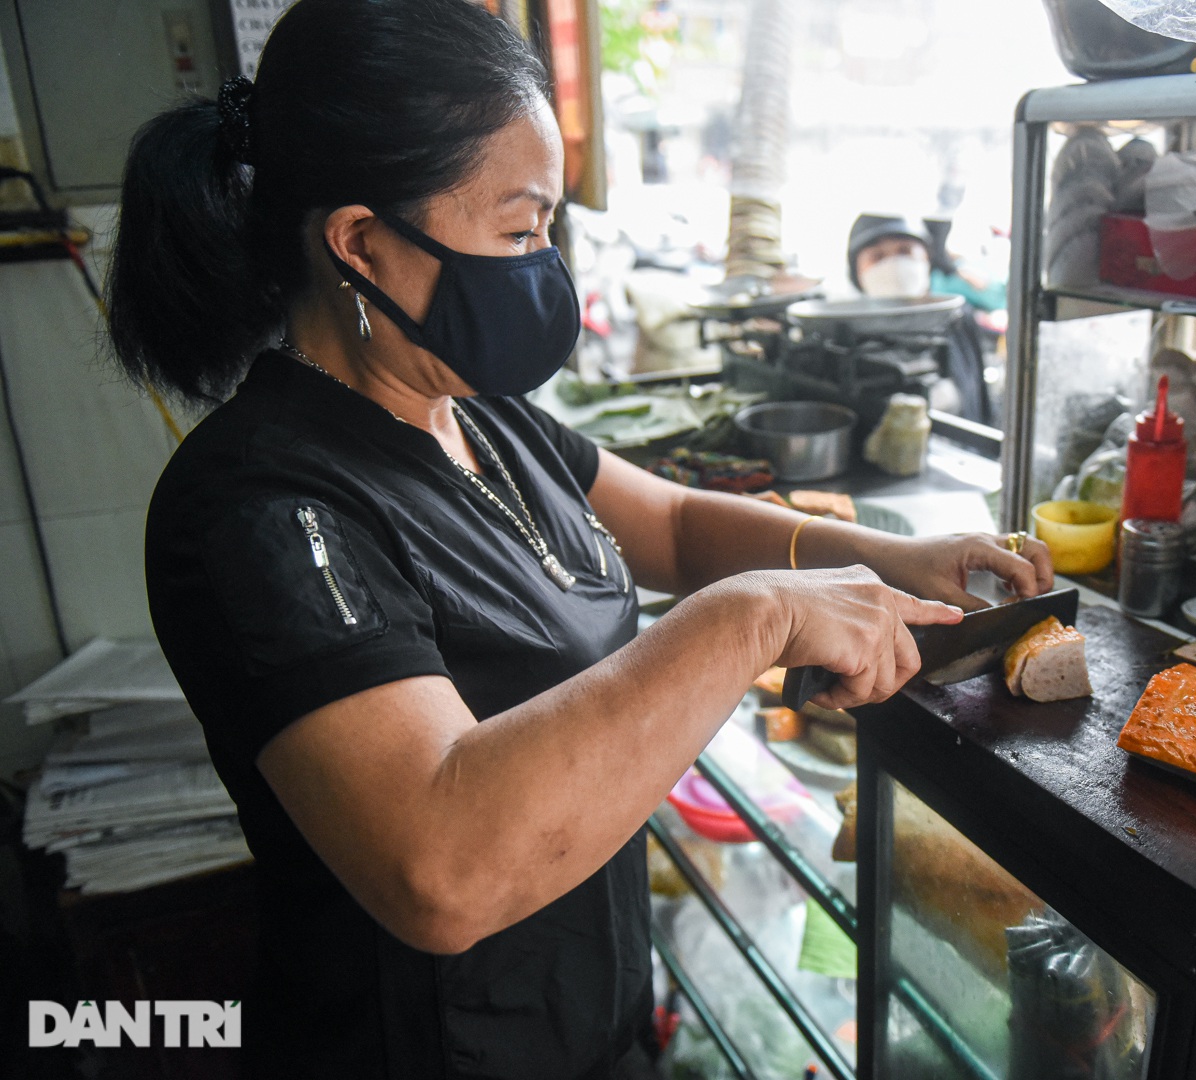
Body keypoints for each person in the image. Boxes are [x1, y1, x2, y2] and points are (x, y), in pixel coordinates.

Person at [104, 3, 1052, 1078]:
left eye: (547, 227)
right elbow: (439, 867)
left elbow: (681, 525)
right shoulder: (262, 505)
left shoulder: (478, 414)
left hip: (587, 1023)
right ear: (361, 245)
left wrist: (884, 558)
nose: (543, 265)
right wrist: (753, 619)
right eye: (517, 231)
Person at [846, 213, 992, 423]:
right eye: (877, 257)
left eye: (905, 251)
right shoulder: (845, 338)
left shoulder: (958, 320)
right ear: (856, 272)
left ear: (927, 259)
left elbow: (981, 400)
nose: (894, 265)